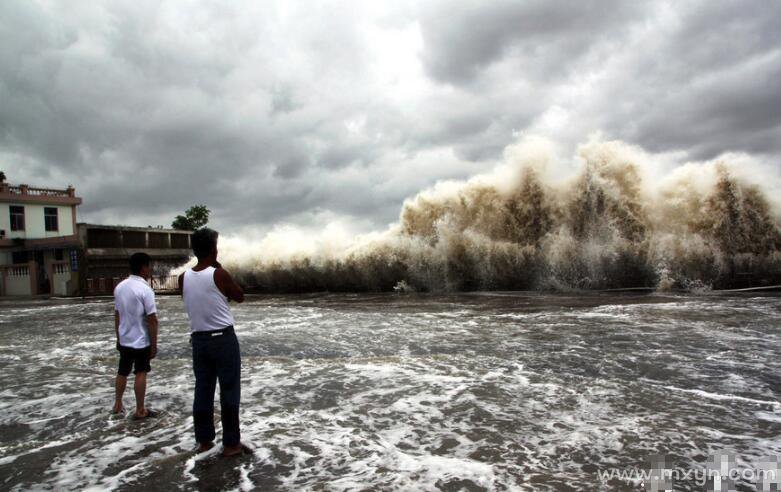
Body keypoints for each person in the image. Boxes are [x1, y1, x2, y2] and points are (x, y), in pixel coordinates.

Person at [179, 228, 245, 456]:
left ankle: (204, 441)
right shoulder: (219, 274)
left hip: (199, 341)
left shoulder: (183, 277)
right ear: (213, 249)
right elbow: (239, 296)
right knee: (229, 391)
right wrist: (220, 270)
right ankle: (231, 445)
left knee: (203, 390)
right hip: (223, 340)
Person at [112, 252, 158, 419]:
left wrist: (118, 337)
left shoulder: (120, 287)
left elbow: (117, 315)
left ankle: (117, 404)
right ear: (143, 267)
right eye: (148, 266)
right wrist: (154, 345)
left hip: (124, 339)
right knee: (141, 372)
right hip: (141, 340)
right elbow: (152, 319)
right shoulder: (145, 289)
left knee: (122, 371)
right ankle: (140, 410)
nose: (150, 269)